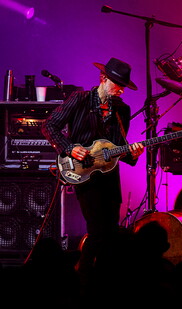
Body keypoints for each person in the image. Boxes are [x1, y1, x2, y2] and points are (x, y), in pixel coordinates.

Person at [41, 57, 145, 283]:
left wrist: (132, 154)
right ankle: (83, 276)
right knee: (97, 231)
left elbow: (117, 147)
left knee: (110, 232)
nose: (121, 91)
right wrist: (69, 148)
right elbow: (49, 125)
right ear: (104, 79)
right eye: (118, 85)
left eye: (123, 87)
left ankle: (102, 279)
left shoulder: (121, 110)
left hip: (109, 175)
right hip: (84, 173)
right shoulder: (80, 99)